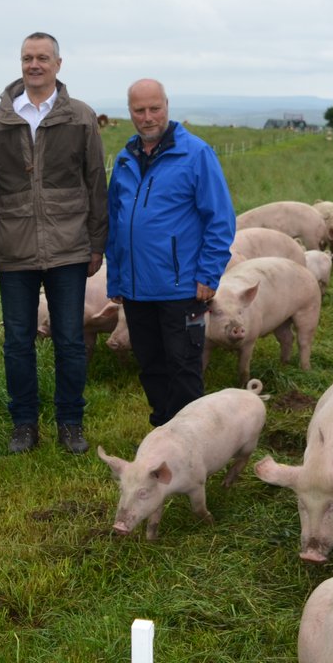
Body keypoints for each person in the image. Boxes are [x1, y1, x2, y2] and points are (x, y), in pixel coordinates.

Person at [0, 32, 107, 455]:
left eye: (43, 58)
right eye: (28, 58)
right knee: (18, 340)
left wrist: (96, 243)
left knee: (69, 337)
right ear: (21, 63)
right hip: (13, 246)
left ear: (58, 64)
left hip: (69, 245)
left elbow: (95, 184)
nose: (35, 65)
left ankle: (71, 423)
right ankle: (24, 424)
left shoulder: (81, 117)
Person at [106, 78, 236, 426]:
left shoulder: (195, 154)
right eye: (139, 110)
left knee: (184, 366)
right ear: (130, 112)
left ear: (167, 106)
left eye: (154, 108)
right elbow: (116, 223)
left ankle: (191, 441)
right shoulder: (124, 160)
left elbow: (220, 220)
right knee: (150, 364)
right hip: (136, 288)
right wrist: (116, 278)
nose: (148, 117)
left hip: (182, 288)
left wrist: (209, 276)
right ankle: (163, 433)